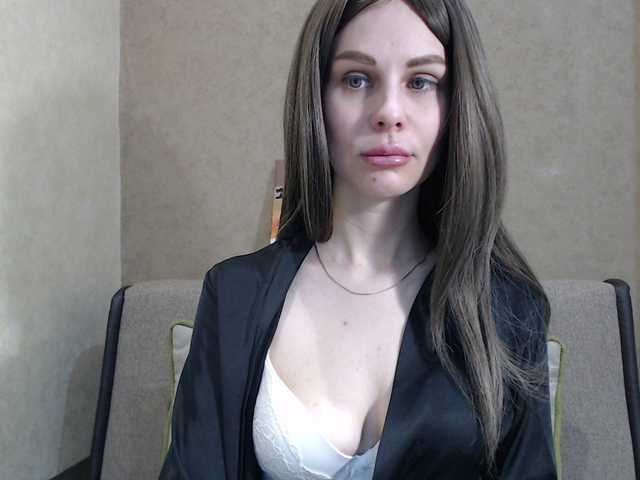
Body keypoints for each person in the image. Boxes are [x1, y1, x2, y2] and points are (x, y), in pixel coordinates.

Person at [160, 0, 558, 478]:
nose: (388, 112)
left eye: (420, 82)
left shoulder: (510, 308)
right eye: (356, 79)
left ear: (456, 105)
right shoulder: (234, 294)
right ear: (317, 99)